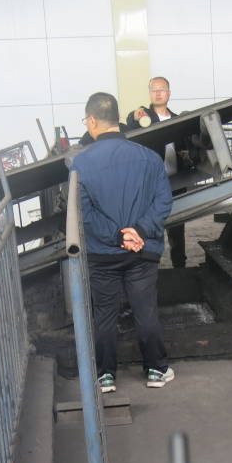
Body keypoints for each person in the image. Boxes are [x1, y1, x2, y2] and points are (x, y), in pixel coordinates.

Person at [73, 91, 175, 392]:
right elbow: (163, 201)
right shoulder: (149, 157)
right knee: (146, 311)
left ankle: (105, 376)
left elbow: (83, 213)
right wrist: (139, 231)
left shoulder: (80, 164)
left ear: (93, 121)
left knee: (104, 315)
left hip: (102, 254)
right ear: (117, 118)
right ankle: (156, 370)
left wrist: (117, 236)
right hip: (143, 250)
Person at [126, 76, 188, 269]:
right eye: (154, 90)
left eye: (162, 89)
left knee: (177, 229)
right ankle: (151, 269)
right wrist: (136, 116)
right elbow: (130, 121)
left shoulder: (178, 119)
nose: (158, 93)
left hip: (176, 182)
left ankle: (180, 267)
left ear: (169, 93)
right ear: (150, 93)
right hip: (151, 185)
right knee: (152, 227)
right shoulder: (143, 116)